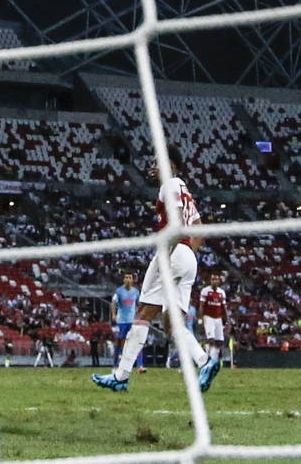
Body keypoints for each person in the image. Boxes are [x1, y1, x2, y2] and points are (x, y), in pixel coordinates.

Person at [93, 156, 221, 394]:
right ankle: (206, 361)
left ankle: (120, 376)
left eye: (157, 161)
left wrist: (170, 254)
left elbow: (176, 220)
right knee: (172, 323)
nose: (152, 166)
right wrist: (184, 253)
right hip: (187, 257)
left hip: (170, 252)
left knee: (143, 313)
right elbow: (199, 229)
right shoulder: (183, 187)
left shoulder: (170, 186)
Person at [110, 272, 143, 373]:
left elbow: (139, 304)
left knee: (137, 342)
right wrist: (114, 314)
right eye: (126, 277)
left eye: (130, 277)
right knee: (119, 342)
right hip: (121, 321)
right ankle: (115, 365)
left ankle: (140, 365)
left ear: (133, 280)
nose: (128, 279)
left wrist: (139, 316)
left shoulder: (136, 292)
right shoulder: (119, 291)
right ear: (123, 279)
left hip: (132, 321)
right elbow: (113, 302)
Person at [197, 273, 227, 364]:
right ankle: (209, 360)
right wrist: (200, 319)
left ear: (219, 281)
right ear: (210, 281)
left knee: (219, 341)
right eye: (213, 279)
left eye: (216, 279)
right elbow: (201, 306)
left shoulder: (221, 292)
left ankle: (213, 360)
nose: (214, 281)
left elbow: (224, 307)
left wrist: (228, 321)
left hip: (218, 319)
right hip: (208, 317)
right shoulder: (205, 291)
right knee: (211, 339)